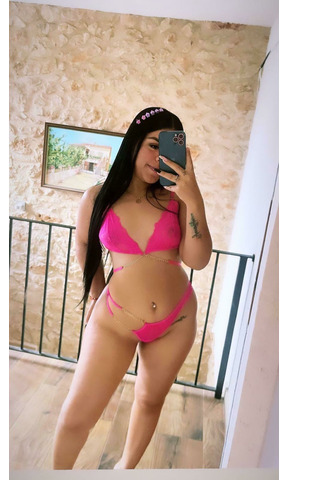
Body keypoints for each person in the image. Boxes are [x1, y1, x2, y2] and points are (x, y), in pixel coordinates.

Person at [53, 107, 212, 469]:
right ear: (134, 143)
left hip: (176, 320)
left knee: (150, 401)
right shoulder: (97, 197)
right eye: (153, 145)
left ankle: (125, 469)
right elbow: (84, 244)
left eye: (167, 149)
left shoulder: (177, 200)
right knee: (76, 416)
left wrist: (194, 197)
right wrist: (96, 294)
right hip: (115, 320)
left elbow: (198, 259)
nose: (159, 158)